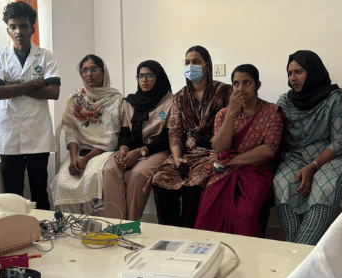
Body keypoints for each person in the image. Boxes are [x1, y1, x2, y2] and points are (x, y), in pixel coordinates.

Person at [195, 64, 285, 237]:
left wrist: (229, 160)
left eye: (247, 83)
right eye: (236, 84)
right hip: (223, 172)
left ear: (258, 85)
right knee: (208, 208)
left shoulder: (272, 113)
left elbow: (269, 150)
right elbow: (219, 147)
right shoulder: (223, 114)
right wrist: (232, 113)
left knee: (247, 214)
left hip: (256, 171)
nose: (241, 89)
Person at [274, 50, 342, 245]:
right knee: (282, 183)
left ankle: (297, 254)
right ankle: (296, 253)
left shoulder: (335, 99)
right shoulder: (285, 102)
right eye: (290, 73)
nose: (293, 78)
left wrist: (314, 166)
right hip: (295, 157)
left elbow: (340, 141)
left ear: (313, 71)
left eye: (298, 72)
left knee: (323, 189)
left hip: (330, 158)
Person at [0, 1, 60, 209]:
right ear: (8, 30)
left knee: (40, 191)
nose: (18, 31)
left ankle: (44, 227)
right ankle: (16, 228)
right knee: (13, 194)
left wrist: (11, 86)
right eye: (13, 26)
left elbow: (53, 92)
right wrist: (35, 83)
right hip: (9, 133)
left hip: (38, 134)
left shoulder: (45, 56)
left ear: (32, 29)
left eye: (23, 26)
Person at [151, 46, 230, 228]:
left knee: (194, 186)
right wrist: (177, 158)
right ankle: (170, 232)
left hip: (213, 153)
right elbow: (175, 131)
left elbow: (233, 126)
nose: (190, 66)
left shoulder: (224, 92)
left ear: (206, 65)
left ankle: (189, 233)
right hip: (188, 153)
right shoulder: (180, 96)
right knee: (160, 179)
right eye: (187, 62)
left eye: (196, 62)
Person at [50, 55, 122, 213]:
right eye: (84, 70)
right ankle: (70, 225)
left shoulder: (115, 100)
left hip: (104, 151)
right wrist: (74, 158)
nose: (89, 74)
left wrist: (85, 160)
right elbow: (71, 131)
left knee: (91, 179)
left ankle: (93, 224)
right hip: (78, 152)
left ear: (103, 72)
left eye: (94, 69)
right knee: (63, 182)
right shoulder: (75, 98)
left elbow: (111, 140)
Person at [102, 60, 173, 220]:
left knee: (137, 174)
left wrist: (140, 152)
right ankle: (114, 224)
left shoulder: (170, 102)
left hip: (157, 150)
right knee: (110, 169)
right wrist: (123, 150)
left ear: (159, 77)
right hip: (131, 149)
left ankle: (130, 225)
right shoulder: (130, 102)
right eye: (140, 76)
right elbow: (124, 133)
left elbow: (167, 138)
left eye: (149, 75)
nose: (144, 80)